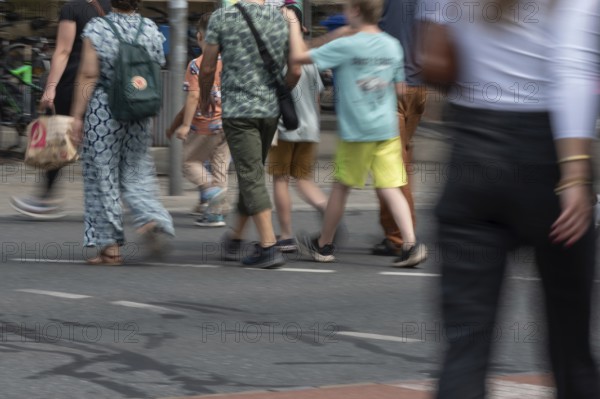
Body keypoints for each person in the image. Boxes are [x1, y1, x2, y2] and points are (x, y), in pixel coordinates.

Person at [420, 0, 600, 398]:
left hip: (472, 151)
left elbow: (432, 62)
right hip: (545, 152)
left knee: (465, 345)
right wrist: (574, 173)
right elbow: (571, 70)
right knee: (570, 342)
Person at [288, 0, 428, 267]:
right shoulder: (392, 45)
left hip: (357, 131)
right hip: (385, 128)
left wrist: (295, 26)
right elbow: (399, 90)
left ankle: (324, 244)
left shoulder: (346, 44)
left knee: (341, 187)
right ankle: (411, 244)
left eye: (345, 9)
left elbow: (299, 56)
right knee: (390, 187)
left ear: (354, 11)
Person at [70, 0, 175, 265]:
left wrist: (77, 115)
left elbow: (88, 74)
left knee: (101, 176)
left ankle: (110, 247)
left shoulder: (97, 27)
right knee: (137, 169)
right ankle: (151, 217)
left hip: (105, 110)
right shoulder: (150, 28)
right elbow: (156, 64)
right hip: (139, 108)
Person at [199, 0, 301, 268]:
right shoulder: (283, 18)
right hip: (270, 110)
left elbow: (208, 66)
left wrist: (205, 98)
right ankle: (235, 238)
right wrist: (281, 92)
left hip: (238, 111)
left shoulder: (222, 16)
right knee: (251, 171)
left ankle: (268, 246)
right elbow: (296, 67)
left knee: (251, 174)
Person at [10, 0, 111, 219]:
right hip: (106, 82)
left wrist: (50, 88)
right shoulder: (117, 6)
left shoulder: (72, 8)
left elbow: (64, 51)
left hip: (76, 81)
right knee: (98, 140)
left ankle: (45, 199)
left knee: (59, 136)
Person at [267, 4, 328, 252]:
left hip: (285, 128)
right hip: (310, 128)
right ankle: (327, 209)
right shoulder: (310, 58)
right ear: (302, 28)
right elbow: (318, 98)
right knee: (303, 179)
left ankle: (286, 235)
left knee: (280, 179)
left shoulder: (278, 57)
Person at [372, 0, 427, 257]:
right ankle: (395, 230)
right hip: (418, 86)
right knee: (401, 156)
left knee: (391, 161)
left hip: (393, 86)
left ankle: (400, 238)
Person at [168, 13, 231, 228]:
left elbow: (194, 96)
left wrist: (185, 125)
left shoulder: (197, 64)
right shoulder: (230, 62)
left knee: (189, 162)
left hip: (205, 124)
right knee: (220, 166)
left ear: (200, 36)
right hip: (228, 123)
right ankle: (217, 213)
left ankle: (211, 191)